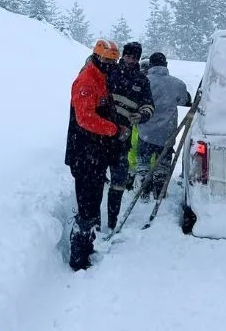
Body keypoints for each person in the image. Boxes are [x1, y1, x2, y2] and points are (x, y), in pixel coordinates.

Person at [64, 39, 132, 271]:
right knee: (86, 208)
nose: (110, 65)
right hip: (84, 155)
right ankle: (78, 258)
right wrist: (113, 129)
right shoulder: (86, 81)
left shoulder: (101, 79)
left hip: (97, 154)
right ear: (97, 57)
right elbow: (85, 118)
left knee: (93, 204)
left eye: (113, 61)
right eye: (107, 60)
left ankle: (88, 247)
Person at [104, 42, 154, 231]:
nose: (131, 59)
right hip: (101, 135)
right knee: (96, 178)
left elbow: (149, 105)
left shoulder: (142, 81)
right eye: (128, 56)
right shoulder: (110, 72)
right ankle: (91, 219)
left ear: (139, 59)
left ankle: (112, 222)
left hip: (123, 137)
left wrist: (141, 115)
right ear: (122, 56)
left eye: (134, 57)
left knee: (118, 181)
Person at [135, 52, 192, 201]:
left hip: (145, 131)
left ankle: (143, 186)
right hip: (167, 132)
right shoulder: (177, 84)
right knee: (162, 163)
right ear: (166, 65)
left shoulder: (143, 81)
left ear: (151, 65)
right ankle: (160, 185)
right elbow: (185, 100)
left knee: (144, 161)